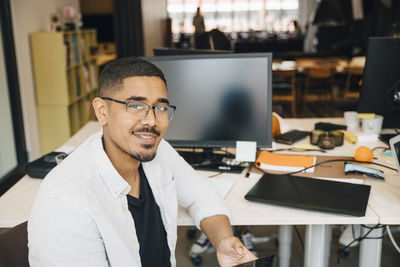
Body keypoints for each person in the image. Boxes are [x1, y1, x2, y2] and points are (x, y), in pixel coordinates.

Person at [28, 57, 256, 267]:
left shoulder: (157, 150)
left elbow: (202, 195)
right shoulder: (65, 202)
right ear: (102, 111)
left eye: (161, 108)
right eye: (135, 105)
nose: (152, 121)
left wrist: (224, 240)